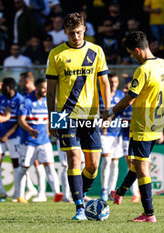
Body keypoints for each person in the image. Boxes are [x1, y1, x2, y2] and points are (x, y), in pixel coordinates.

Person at [46, 12, 111, 220]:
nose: (76, 37)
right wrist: (51, 118)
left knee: (93, 166)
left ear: (84, 29)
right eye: (72, 33)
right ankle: (80, 208)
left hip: (90, 116)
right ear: (65, 32)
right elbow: (50, 90)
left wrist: (107, 110)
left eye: (79, 32)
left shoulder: (96, 51)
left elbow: (104, 83)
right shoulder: (56, 54)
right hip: (65, 116)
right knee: (74, 159)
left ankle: (81, 194)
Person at [106, 31, 164, 222]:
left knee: (142, 168)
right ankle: (119, 192)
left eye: (131, 53)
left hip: (143, 125)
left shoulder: (143, 70)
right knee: (137, 163)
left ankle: (149, 213)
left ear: (137, 50)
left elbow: (129, 99)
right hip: (157, 124)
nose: (131, 57)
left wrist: (111, 112)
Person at [17, 78, 63, 203]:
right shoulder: (27, 101)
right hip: (29, 141)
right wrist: (29, 130)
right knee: (24, 168)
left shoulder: (48, 100)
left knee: (50, 166)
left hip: (44, 141)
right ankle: (19, 195)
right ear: (36, 87)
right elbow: (21, 119)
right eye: (42, 88)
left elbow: (50, 117)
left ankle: (57, 193)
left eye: (46, 88)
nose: (45, 90)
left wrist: (49, 132)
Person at [0, 77, 24, 202]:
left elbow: (19, 121)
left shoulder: (20, 99)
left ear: (9, 87)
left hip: (14, 136)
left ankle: (17, 193)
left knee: (16, 164)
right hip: (0, 134)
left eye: (3, 86)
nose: (1, 88)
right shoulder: (2, 98)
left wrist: (8, 134)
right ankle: (0, 192)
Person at [99, 73, 124, 201]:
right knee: (107, 160)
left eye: (115, 81)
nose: (113, 84)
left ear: (118, 82)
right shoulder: (99, 95)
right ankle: (104, 189)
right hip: (103, 133)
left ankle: (111, 190)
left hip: (117, 133)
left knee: (115, 163)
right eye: (111, 82)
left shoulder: (121, 95)